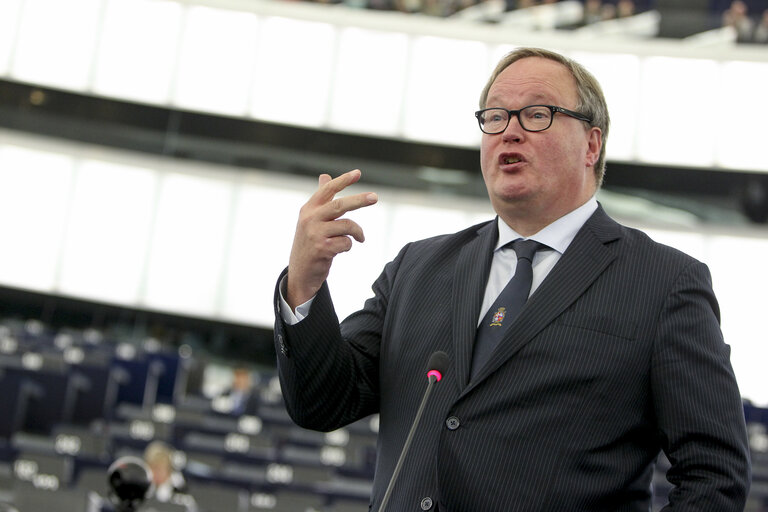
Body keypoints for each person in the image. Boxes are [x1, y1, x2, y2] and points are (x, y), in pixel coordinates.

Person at [273, 47, 751, 511]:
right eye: (496, 117)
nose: (510, 132)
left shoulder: (664, 283)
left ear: (591, 144)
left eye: (537, 114)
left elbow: (713, 475)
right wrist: (304, 285)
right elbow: (322, 403)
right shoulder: (417, 268)